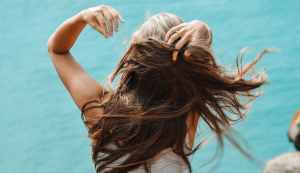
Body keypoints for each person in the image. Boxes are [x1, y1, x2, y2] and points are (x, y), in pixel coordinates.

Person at [47, 5, 275, 173]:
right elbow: (194, 61)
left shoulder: (101, 110)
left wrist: (82, 17)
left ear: (136, 54)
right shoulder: (187, 114)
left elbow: (57, 50)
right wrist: (203, 29)